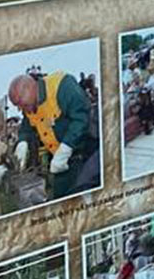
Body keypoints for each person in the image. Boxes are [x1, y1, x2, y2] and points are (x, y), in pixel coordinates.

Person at [9, 70, 99, 199]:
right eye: (19, 107)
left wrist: (66, 148)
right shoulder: (30, 105)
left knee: (85, 198)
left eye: (24, 105)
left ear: (32, 88)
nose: (23, 110)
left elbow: (82, 118)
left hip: (85, 156)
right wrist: (22, 143)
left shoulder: (63, 86)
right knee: (61, 200)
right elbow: (26, 127)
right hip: (60, 163)